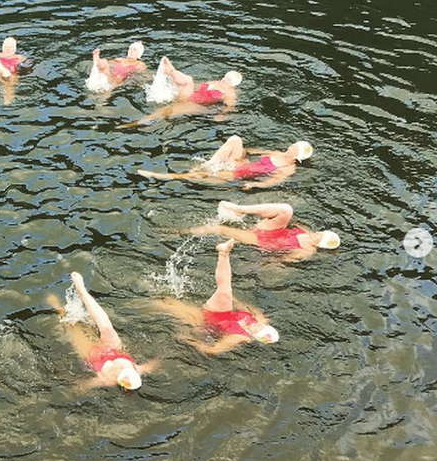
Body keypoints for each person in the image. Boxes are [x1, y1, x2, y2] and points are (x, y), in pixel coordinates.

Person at [149, 239, 279, 354]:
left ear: (256, 337)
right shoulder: (260, 320)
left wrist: (191, 341)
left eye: (258, 331)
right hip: (222, 312)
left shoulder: (239, 338)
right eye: (262, 327)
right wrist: (234, 300)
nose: (258, 327)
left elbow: (213, 350)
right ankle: (223, 253)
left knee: (165, 304)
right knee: (225, 290)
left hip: (205, 322)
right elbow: (246, 307)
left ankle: (144, 299)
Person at [46, 272, 156, 391]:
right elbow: (156, 363)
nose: (121, 370)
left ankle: (58, 307)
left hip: (93, 357)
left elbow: (80, 388)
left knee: (74, 327)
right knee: (107, 327)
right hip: (115, 349)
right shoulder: (139, 369)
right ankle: (82, 291)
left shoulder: (105, 380)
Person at [138, 136, 314, 189]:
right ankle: (210, 162)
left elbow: (274, 181)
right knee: (236, 140)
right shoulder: (279, 153)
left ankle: (160, 176)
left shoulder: (288, 168)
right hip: (242, 164)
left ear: (296, 156)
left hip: (239, 174)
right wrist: (243, 152)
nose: (291, 147)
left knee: (199, 175)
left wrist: (253, 185)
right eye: (293, 145)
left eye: (294, 148)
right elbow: (255, 152)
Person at [190, 201, 341, 261]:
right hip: (272, 231)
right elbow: (294, 224)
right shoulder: (307, 233)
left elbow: (283, 259)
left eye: (319, 236)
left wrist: (262, 262)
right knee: (286, 211)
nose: (317, 233)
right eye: (320, 232)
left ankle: (185, 232)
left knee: (220, 229)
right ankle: (241, 209)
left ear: (320, 245)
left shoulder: (306, 251)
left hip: (263, 241)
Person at [120, 56, 241, 128]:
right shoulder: (215, 82)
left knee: (166, 111)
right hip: (190, 95)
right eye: (225, 77)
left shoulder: (230, 94)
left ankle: (136, 123)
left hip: (196, 104)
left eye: (228, 79)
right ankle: (171, 71)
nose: (225, 79)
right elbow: (198, 86)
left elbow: (230, 107)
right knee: (189, 80)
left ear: (233, 84)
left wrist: (221, 115)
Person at [0, 37, 26, 105]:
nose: (8, 49)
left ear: (15, 49)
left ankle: (7, 103)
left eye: (11, 47)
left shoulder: (19, 58)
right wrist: (4, 71)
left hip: (11, 75)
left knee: (10, 82)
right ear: (2, 47)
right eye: (6, 46)